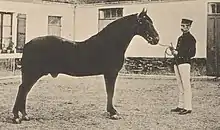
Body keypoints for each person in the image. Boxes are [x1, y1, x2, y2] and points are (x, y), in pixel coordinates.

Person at [169, 18, 196, 115]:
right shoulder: (180, 38)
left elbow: (192, 53)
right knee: (180, 86)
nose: (184, 28)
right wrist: (173, 51)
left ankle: (188, 107)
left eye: (186, 26)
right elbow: (177, 52)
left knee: (186, 85)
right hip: (177, 63)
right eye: (182, 25)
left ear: (189, 27)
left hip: (184, 63)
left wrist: (178, 53)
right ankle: (180, 106)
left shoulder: (191, 39)